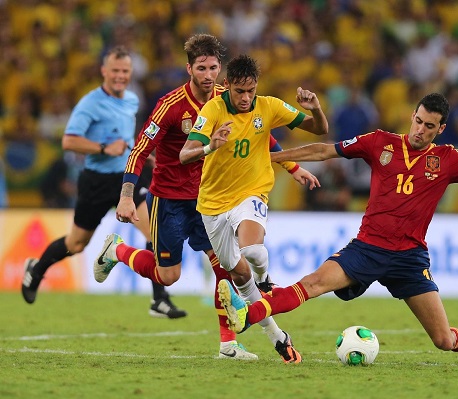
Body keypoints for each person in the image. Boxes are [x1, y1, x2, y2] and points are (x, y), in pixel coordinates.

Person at [218, 93, 458, 366]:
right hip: (367, 248)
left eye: (429, 126)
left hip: (409, 259)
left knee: (443, 341)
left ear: (440, 129)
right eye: (418, 120)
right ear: (412, 115)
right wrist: (273, 159)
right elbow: (325, 150)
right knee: (312, 283)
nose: (420, 130)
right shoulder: (380, 142)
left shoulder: (448, 159)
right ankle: (246, 314)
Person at [93, 36, 318, 361]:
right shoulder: (171, 106)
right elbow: (141, 148)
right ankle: (116, 250)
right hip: (169, 200)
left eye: (213, 67)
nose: (209, 74)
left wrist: (293, 166)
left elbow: (260, 134)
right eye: (202, 67)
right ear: (189, 68)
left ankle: (228, 345)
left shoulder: (229, 100)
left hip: (211, 201)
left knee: (228, 271)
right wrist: (127, 195)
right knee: (168, 275)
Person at [178, 54, 328, 363]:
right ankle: (278, 338)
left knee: (253, 251)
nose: (246, 98)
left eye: (251, 90)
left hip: (252, 193)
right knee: (240, 277)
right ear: (228, 86)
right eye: (239, 91)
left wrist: (315, 109)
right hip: (212, 204)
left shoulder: (269, 106)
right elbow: (185, 155)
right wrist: (211, 146)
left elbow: (318, 129)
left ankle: (264, 279)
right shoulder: (213, 109)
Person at [21, 46, 186, 319]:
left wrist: (146, 157)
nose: (120, 76)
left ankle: (159, 300)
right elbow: (69, 140)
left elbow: (127, 137)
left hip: (128, 179)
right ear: (104, 71)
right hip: (97, 181)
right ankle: (35, 270)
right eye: (116, 71)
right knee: (76, 244)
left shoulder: (132, 100)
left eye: (125, 71)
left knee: (154, 233)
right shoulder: (90, 103)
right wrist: (102, 148)